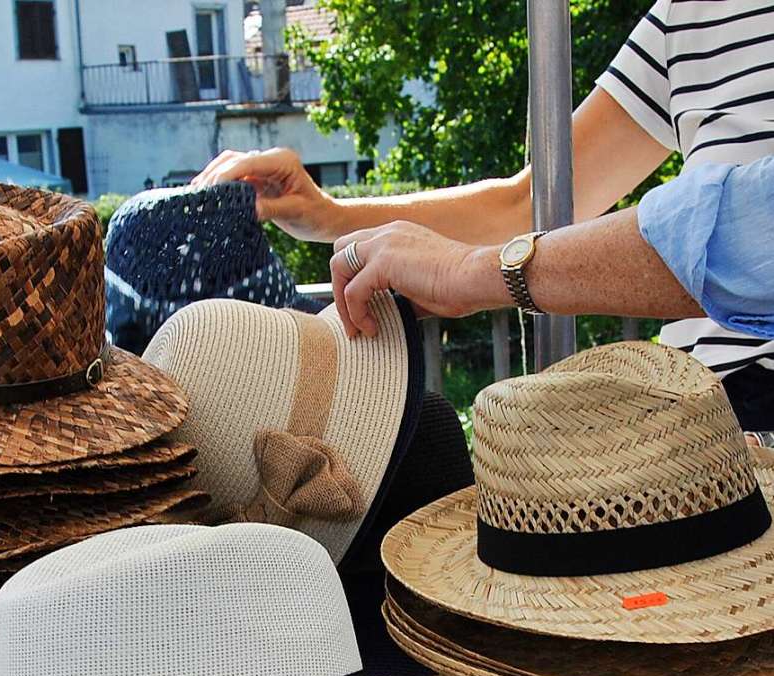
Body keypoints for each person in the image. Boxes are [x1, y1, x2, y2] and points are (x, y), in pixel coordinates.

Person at [194, 1, 774, 433]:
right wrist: (326, 216)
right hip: (696, 442)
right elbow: (532, 204)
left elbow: (751, 226)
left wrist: (473, 272)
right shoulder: (687, 12)